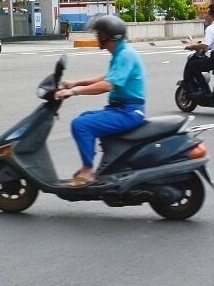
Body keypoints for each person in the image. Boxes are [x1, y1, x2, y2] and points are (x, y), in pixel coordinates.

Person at [54, 14, 146, 186]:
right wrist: (75, 83)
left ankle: (88, 171)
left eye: (98, 34)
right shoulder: (121, 53)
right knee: (83, 117)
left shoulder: (125, 55)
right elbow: (106, 77)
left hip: (128, 112)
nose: (96, 38)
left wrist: (75, 91)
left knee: (81, 125)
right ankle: (101, 165)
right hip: (121, 109)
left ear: (106, 36)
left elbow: (107, 85)